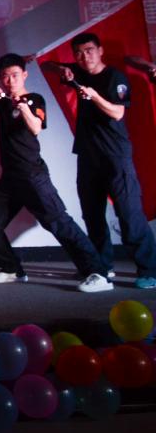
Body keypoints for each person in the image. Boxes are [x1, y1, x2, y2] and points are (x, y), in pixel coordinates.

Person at [0, 54, 112, 292]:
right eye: (5, 76)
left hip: (32, 175)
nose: (10, 80)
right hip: (10, 178)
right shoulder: (2, 100)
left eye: (15, 75)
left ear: (24, 75)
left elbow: (35, 128)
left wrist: (23, 107)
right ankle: (12, 269)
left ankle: (98, 273)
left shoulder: (35, 99)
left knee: (59, 223)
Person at [40, 33, 156, 289]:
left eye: (89, 50)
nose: (85, 57)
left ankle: (149, 270)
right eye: (79, 53)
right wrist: (61, 69)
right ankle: (101, 267)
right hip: (88, 156)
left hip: (115, 156)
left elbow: (117, 113)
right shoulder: (77, 71)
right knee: (92, 214)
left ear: (100, 51)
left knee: (129, 214)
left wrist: (94, 96)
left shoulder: (114, 77)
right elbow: (46, 65)